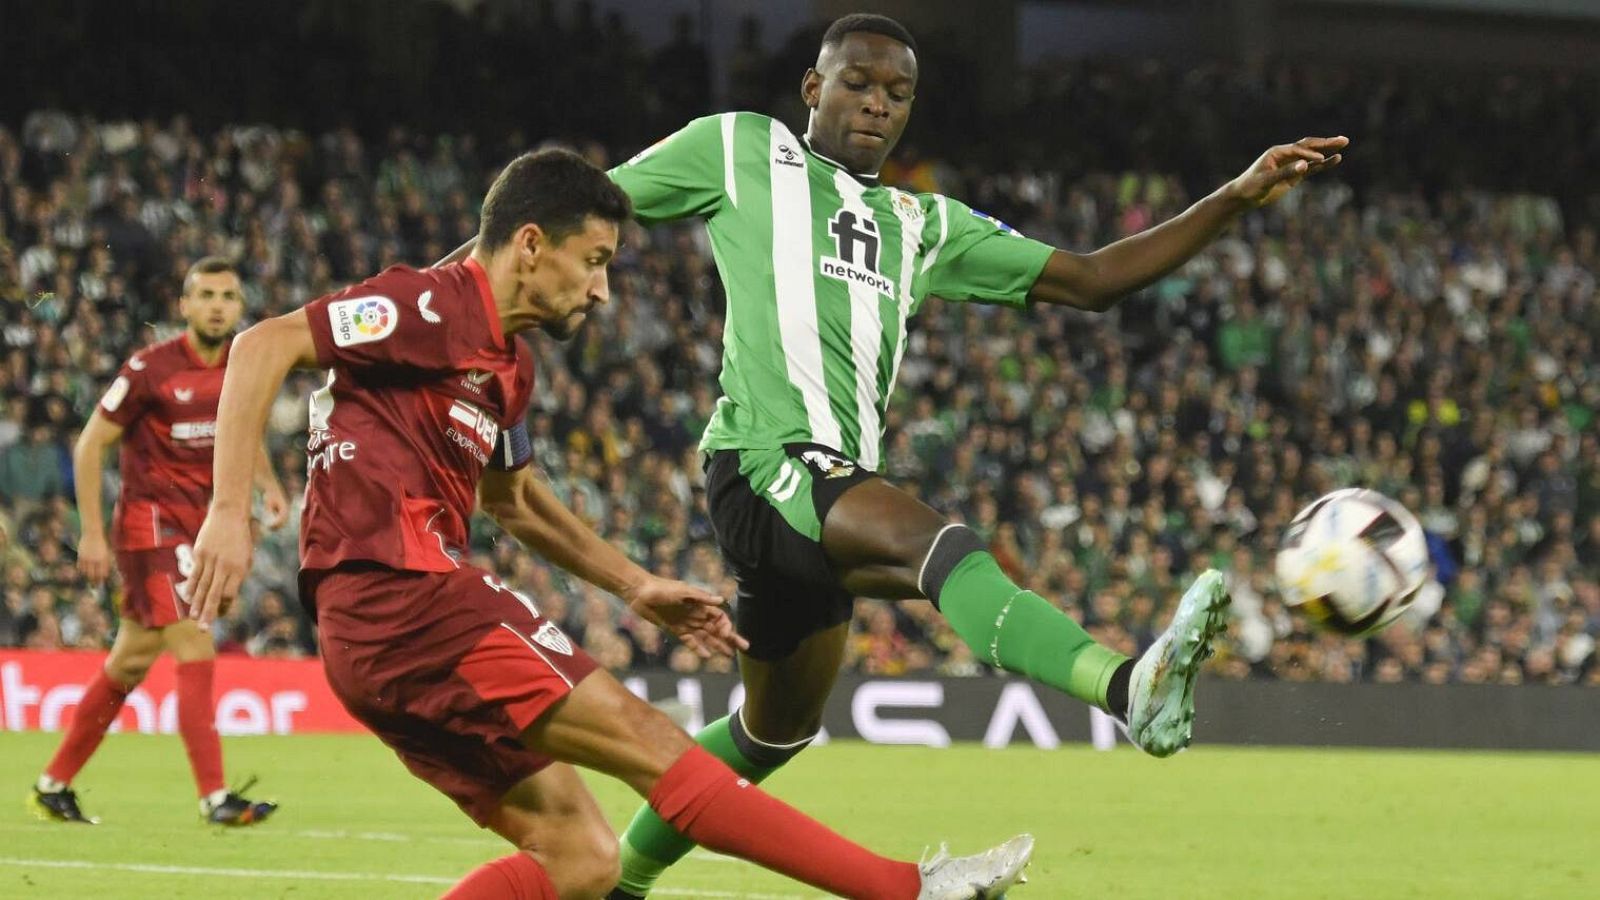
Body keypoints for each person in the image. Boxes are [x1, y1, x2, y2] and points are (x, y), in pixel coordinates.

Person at [596, 14, 1348, 898]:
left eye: (897, 93)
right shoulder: (738, 148)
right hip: (765, 461)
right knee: (944, 549)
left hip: (826, 487)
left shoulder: (922, 222)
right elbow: (572, 206)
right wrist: (449, 296)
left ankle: (618, 886)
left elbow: (1093, 279)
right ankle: (1122, 689)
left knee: (772, 733)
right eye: (858, 83)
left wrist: (1234, 196)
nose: (877, 103)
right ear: (812, 87)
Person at [184, 149, 1032, 900]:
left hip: (376, 632)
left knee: (581, 860)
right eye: (593, 261)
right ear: (530, 246)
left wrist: (636, 584)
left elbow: (511, 500)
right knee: (656, 748)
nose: (601, 288)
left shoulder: (508, 367)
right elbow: (264, 344)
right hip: (405, 595)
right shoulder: (429, 304)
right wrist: (227, 510)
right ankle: (907, 891)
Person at [30, 257, 287, 826]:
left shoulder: (240, 368)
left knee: (130, 662)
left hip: (199, 528)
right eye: (207, 295)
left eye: (227, 295)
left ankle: (54, 783)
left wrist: (267, 485)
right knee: (196, 641)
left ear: (239, 306)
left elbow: (244, 434)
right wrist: (92, 534)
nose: (218, 304)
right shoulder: (150, 368)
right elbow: (90, 444)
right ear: (185, 305)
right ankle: (216, 798)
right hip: (149, 526)